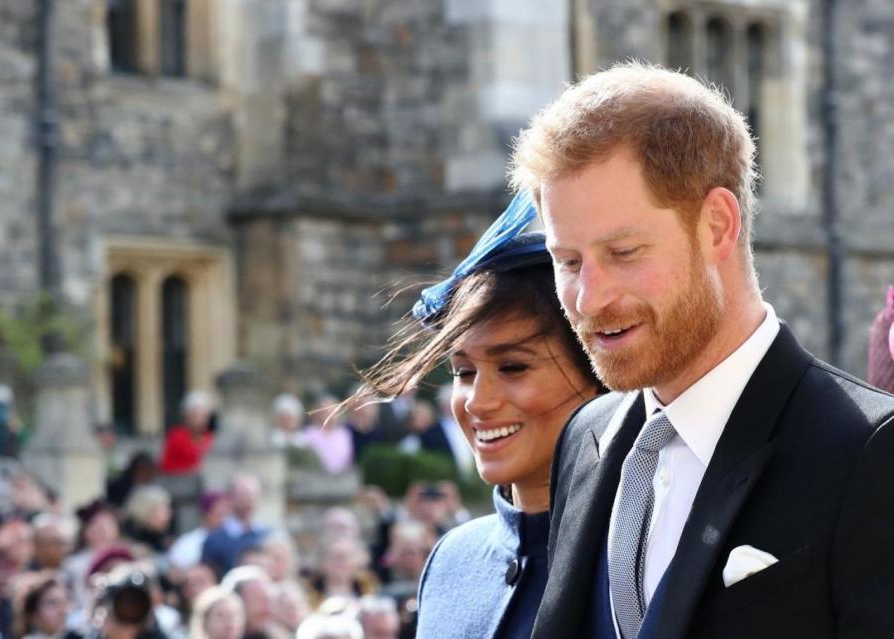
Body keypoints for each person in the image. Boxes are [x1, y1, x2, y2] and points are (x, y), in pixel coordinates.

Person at [507, 61, 894, 639]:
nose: (588, 299)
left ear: (717, 225)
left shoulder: (871, 450)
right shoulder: (583, 439)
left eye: (624, 252)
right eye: (568, 262)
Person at [345, 193, 603, 639]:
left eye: (514, 367)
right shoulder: (451, 563)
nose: (477, 402)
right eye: (463, 372)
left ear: (598, 373)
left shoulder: (651, 557)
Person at [159, 391, 215, 475]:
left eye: (204, 416)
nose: (202, 420)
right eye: (197, 415)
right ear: (186, 416)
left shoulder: (209, 436)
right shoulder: (176, 436)